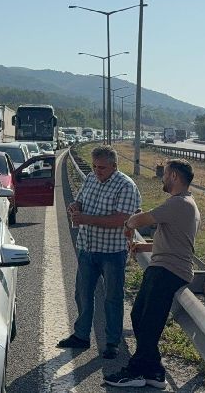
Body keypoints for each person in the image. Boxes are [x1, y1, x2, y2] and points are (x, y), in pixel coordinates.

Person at [104, 159, 200, 389]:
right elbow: (174, 242)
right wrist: (145, 247)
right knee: (140, 317)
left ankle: (136, 371)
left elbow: (140, 219)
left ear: (175, 176)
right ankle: (154, 372)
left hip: (168, 271)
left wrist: (128, 222)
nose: (162, 178)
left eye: (165, 174)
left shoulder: (179, 203)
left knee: (148, 322)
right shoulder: (184, 203)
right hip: (165, 267)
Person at [57, 145, 141, 359]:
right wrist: (75, 207)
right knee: (82, 294)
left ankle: (112, 342)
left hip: (112, 251)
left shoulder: (126, 186)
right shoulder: (91, 179)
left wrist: (86, 219)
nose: (97, 171)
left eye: (102, 167)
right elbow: (82, 201)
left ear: (114, 166)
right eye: (94, 166)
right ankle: (81, 335)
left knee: (112, 297)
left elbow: (122, 219)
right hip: (87, 248)